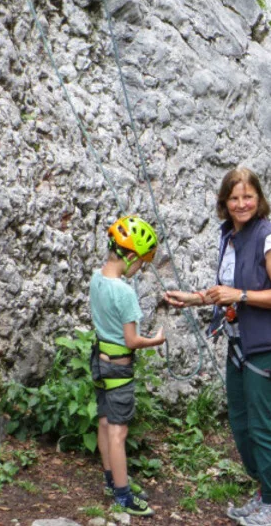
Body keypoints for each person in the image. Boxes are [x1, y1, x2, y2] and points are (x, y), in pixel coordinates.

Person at [165, 168, 271, 526]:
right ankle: (264, 493)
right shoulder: (230, 236)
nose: (241, 204)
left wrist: (240, 295)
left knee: (263, 425)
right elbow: (227, 288)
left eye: (248, 197)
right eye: (234, 197)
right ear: (224, 203)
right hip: (239, 342)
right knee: (241, 424)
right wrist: (196, 298)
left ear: (259, 199)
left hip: (267, 344)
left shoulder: (270, 238)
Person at [91, 215, 165, 517]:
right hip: (119, 369)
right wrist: (155, 340)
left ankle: (111, 480)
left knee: (105, 421)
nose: (140, 269)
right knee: (119, 432)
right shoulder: (125, 292)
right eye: (142, 262)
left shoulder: (97, 279)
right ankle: (123, 496)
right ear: (131, 255)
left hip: (99, 363)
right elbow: (132, 340)